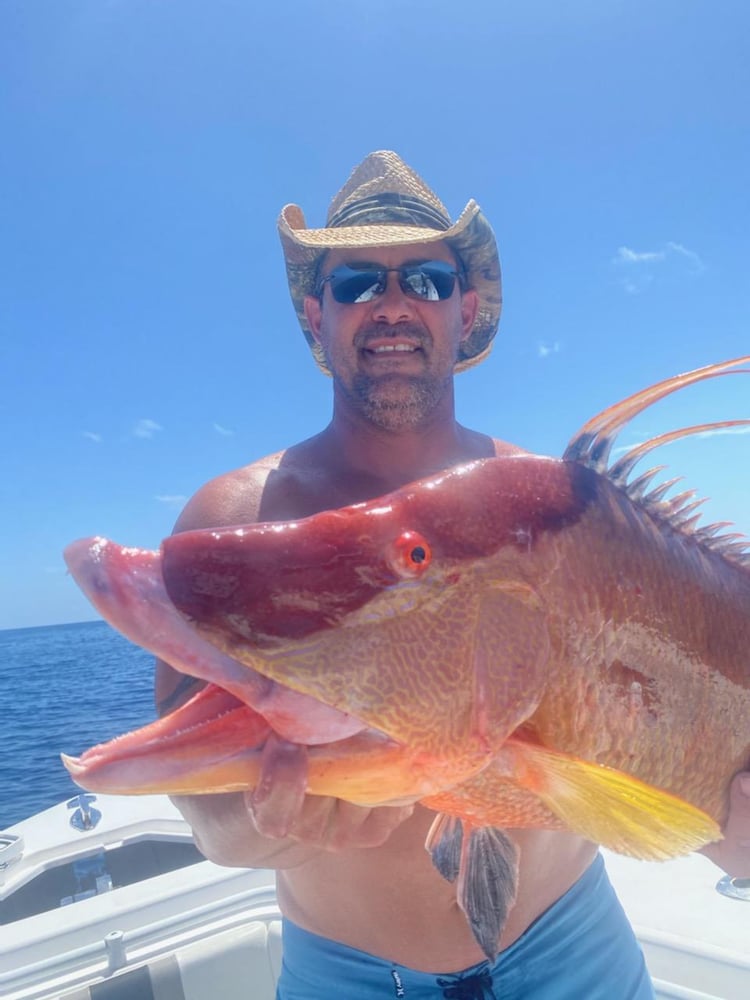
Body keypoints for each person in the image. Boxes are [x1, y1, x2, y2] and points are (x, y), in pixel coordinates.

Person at [154, 151, 750, 999]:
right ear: (312, 311)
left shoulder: (553, 511)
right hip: (345, 975)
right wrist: (261, 825)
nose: (393, 304)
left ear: (462, 308)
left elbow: (663, 725)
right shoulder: (236, 528)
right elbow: (200, 811)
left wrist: (723, 828)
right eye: (357, 280)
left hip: (574, 949)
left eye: (425, 278)